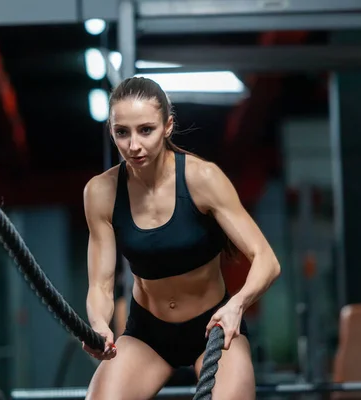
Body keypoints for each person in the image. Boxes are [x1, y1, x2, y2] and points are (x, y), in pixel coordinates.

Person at [81, 76, 280, 400]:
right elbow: (101, 286)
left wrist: (236, 306)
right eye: (122, 132)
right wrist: (99, 324)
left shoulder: (202, 179)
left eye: (146, 130)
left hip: (214, 327)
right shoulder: (100, 192)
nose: (134, 145)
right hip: (148, 334)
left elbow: (267, 260)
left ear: (168, 126)